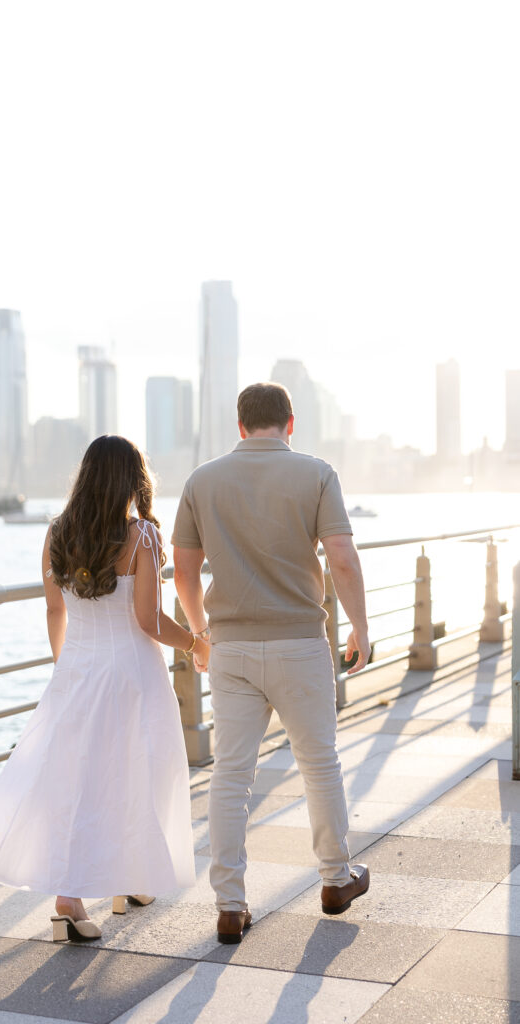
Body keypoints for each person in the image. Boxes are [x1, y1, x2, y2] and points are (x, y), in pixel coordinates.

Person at [0, 435, 204, 942]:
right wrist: (197, 643)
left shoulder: (57, 533)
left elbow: (54, 610)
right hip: (132, 673)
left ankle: (104, 888)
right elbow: (150, 619)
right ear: (133, 479)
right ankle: (88, 892)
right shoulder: (143, 537)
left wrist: (67, 669)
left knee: (78, 781)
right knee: (137, 773)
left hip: (77, 670)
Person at [172, 382, 372, 944]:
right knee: (319, 763)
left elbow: (184, 572)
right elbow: (342, 558)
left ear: (240, 426)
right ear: (290, 423)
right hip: (300, 643)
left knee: (231, 776)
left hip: (230, 648)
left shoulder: (201, 481)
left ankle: (230, 906)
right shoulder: (317, 474)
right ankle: (335, 879)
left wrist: (200, 632)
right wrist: (359, 625)